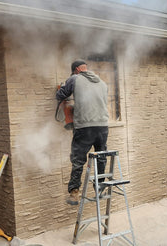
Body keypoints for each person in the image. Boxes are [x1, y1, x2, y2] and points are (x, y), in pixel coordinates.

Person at [56, 59, 109, 205]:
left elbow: (61, 95)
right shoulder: (102, 83)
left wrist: (62, 90)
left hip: (85, 127)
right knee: (101, 156)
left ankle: (74, 194)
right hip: (103, 126)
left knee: (78, 159)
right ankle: (99, 187)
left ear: (76, 70)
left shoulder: (74, 78)